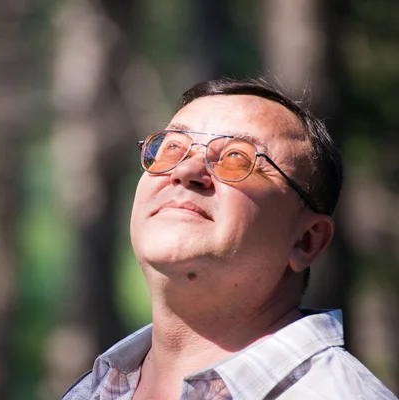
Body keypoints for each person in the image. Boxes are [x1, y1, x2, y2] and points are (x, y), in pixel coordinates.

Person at [62, 78, 398, 399]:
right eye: (171, 148)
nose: (186, 171)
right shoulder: (91, 390)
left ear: (306, 240)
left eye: (238, 158)